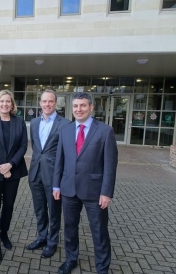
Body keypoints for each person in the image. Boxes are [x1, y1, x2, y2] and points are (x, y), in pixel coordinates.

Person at [52, 92, 118, 274]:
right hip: (69, 189)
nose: (78, 109)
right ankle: (70, 259)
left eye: (82, 105)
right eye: (75, 106)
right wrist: (56, 185)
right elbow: (60, 160)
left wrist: (106, 192)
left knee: (99, 231)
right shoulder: (65, 130)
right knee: (70, 228)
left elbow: (110, 165)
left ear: (91, 107)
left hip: (95, 191)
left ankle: (102, 267)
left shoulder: (105, 131)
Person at [0, 90, 28, 262]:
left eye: (8, 101)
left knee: (8, 206)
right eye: (2, 101)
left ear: (12, 104)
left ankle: (4, 234)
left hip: (13, 171)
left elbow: (23, 145)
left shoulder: (19, 122)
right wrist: (0, 166)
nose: (5, 104)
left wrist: (11, 164)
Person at [27, 90, 70, 258]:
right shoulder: (35, 122)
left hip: (53, 176)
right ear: (40, 103)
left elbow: (66, 153)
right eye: (44, 101)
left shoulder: (65, 124)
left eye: (50, 101)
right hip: (35, 173)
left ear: (56, 103)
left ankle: (52, 242)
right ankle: (42, 237)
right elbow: (37, 149)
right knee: (39, 210)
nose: (47, 104)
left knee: (53, 211)